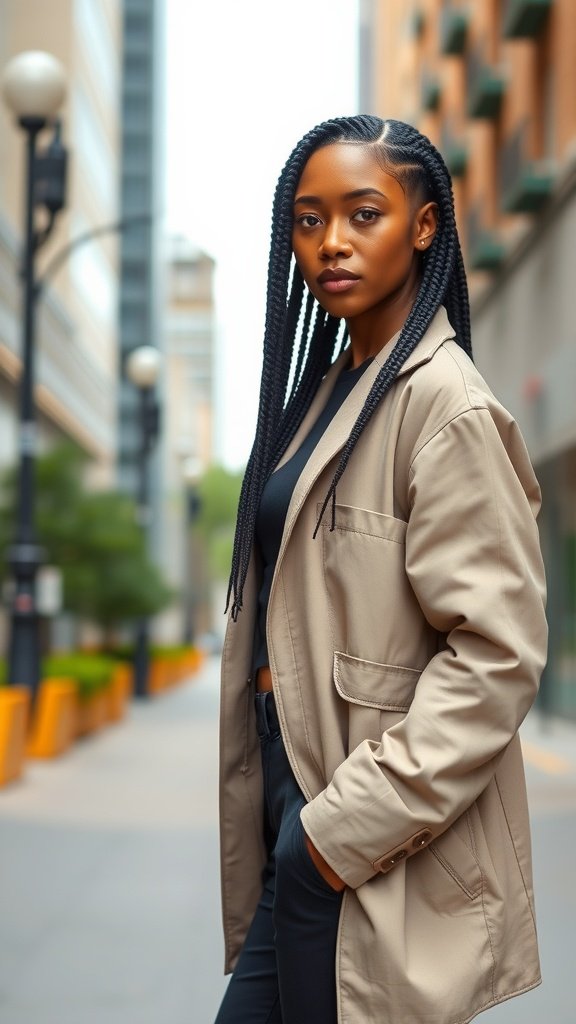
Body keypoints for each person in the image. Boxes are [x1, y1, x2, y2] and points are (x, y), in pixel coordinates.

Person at [214, 115, 548, 1024]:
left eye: (365, 214)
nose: (333, 244)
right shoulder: (321, 395)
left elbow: (497, 656)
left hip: (360, 822)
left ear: (426, 224)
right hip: (297, 791)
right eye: (310, 221)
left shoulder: (444, 402)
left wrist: (332, 837)